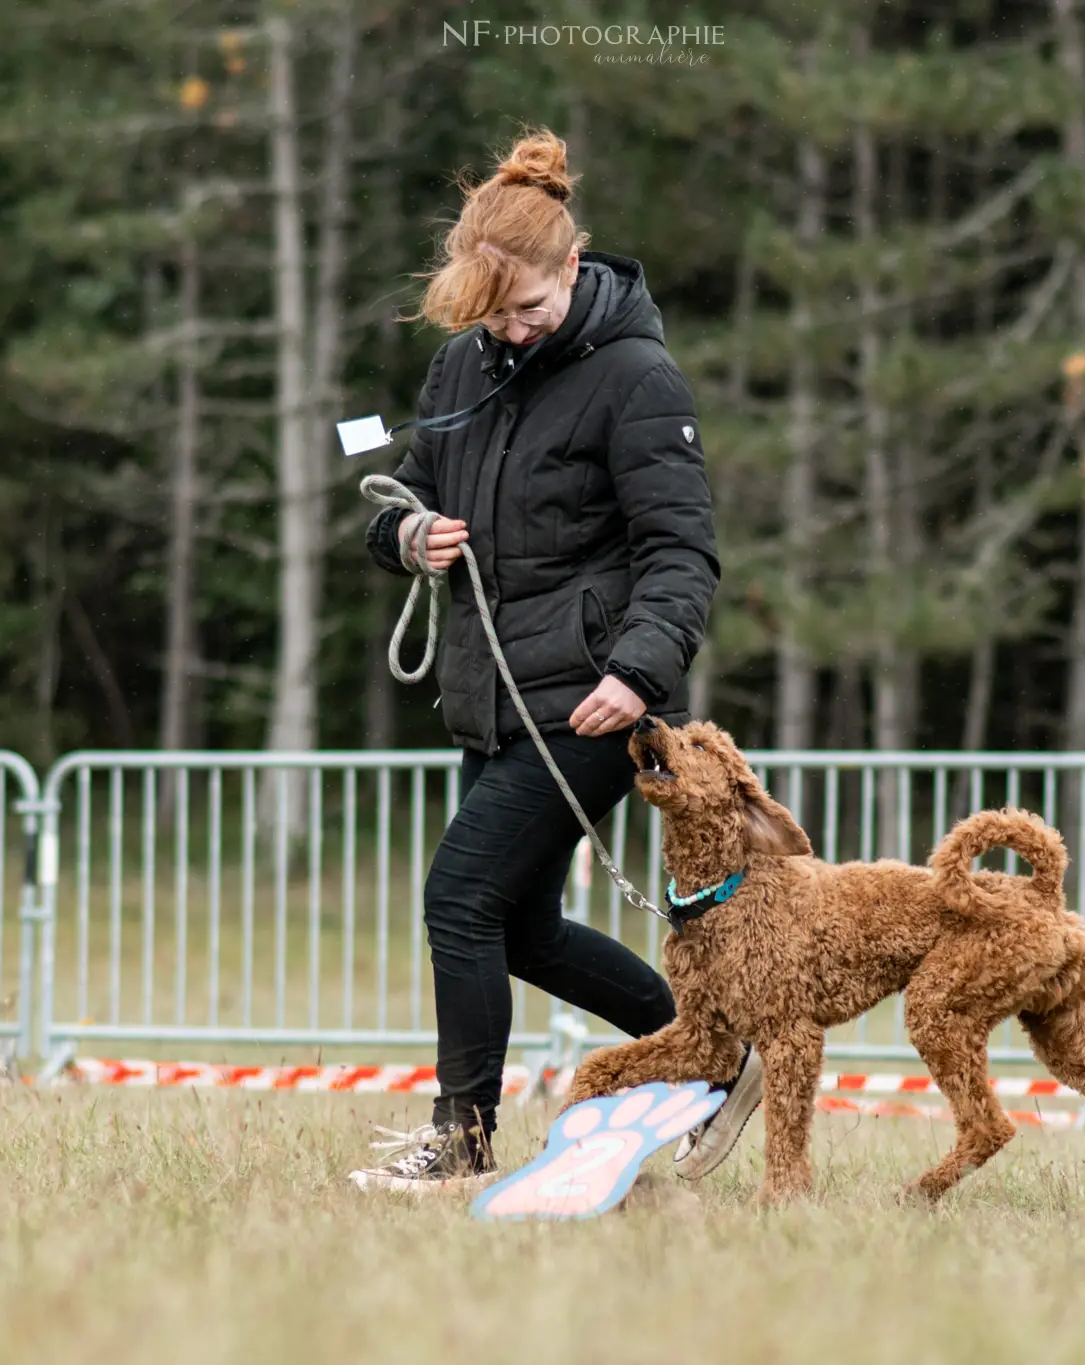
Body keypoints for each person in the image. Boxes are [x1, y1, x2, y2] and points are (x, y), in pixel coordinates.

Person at [349, 128, 762, 1191]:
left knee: (457, 899)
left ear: (572, 270)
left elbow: (682, 553)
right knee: (519, 928)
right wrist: (409, 537)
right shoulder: (461, 364)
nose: (513, 330)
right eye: (494, 315)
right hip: (488, 692)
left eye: (527, 308)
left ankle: (462, 1136)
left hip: (589, 701)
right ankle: (717, 1053)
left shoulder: (637, 377)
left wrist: (635, 671)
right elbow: (397, 496)